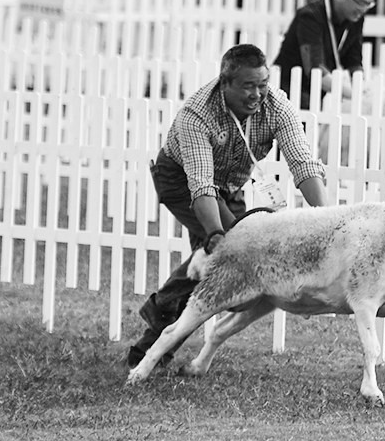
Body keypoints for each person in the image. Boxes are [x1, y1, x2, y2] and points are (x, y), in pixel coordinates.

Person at [126, 44, 328, 368]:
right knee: (227, 251)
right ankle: (160, 311)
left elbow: (303, 164)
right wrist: (217, 237)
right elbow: (202, 186)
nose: (257, 94)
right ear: (225, 83)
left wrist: (325, 220)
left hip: (230, 184)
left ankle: (149, 344)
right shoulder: (197, 115)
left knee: (221, 261)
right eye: (248, 86)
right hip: (181, 180)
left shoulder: (277, 106)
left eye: (262, 84)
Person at [273, 0, 377, 108]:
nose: (364, 9)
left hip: (317, 93)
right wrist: (354, 95)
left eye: (368, 4)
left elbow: (354, 60)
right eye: (361, 3)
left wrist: (361, 86)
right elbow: (316, 71)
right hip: (288, 92)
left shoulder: (355, 18)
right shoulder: (310, 16)